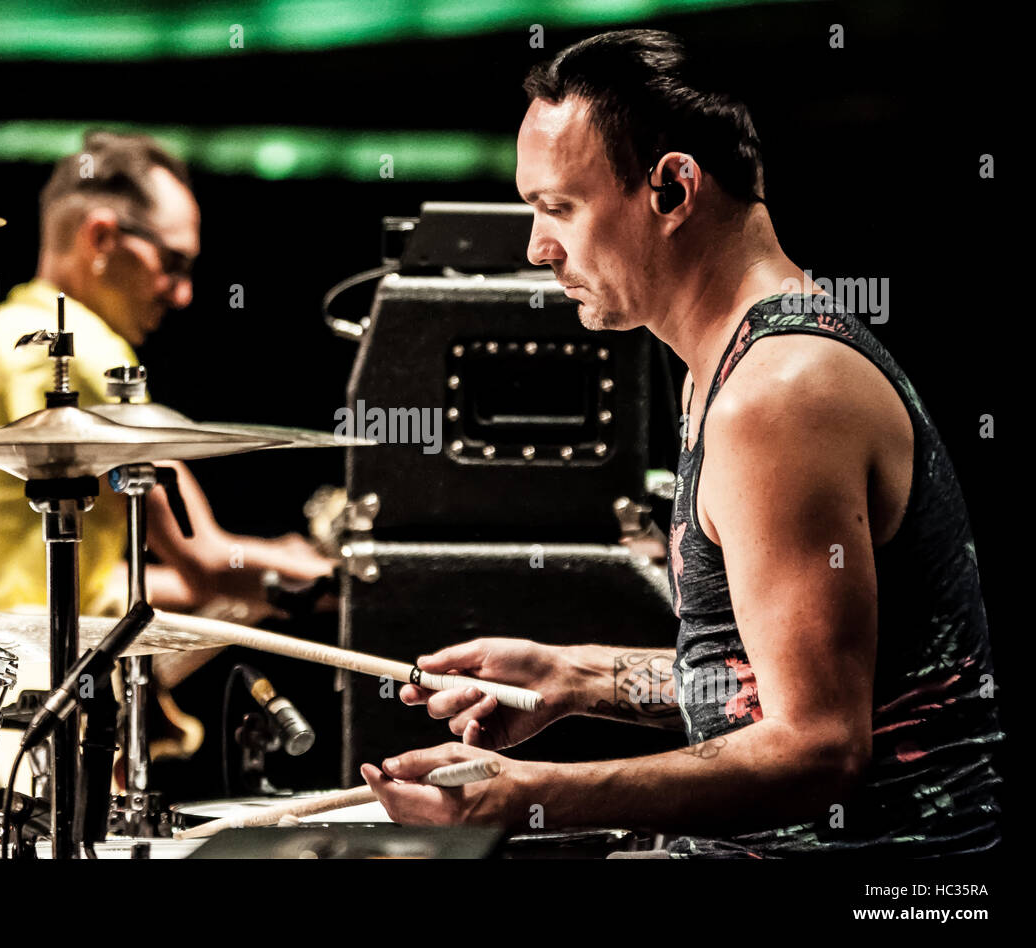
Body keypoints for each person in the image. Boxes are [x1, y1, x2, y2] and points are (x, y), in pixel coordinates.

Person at [360, 30, 1003, 857]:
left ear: (671, 188)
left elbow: (819, 747)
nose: (536, 248)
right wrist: (579, 676)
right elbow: (765, 687)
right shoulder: (725, 369)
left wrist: (534, 798)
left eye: (559, 207)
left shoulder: (779, 394)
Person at [0, 131, 333, 763]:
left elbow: (82, 590)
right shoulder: (78, 353)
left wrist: (279, 562)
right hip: (28, 736)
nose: (182, 294)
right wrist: (351, 580)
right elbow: (205, 563)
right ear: (101, 238)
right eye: (172, 263)